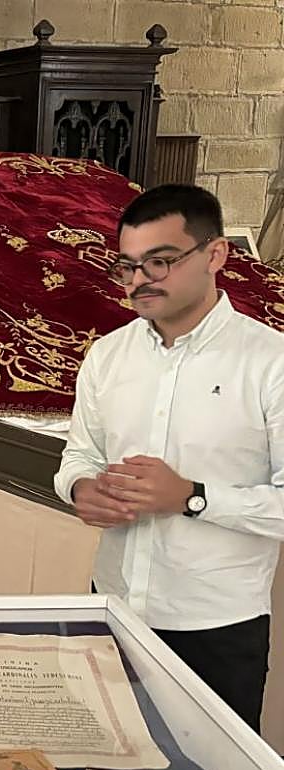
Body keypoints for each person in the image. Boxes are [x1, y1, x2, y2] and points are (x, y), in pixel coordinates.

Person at [54, 184, 284, 732]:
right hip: (110, 611)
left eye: (159, 262)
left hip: (216, 628)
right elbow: (78, 455)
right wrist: (81, 490)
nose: (139, 281)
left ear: (215, 254)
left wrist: (192, 497)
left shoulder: (269, 363)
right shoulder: (108, 355)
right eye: (127, 266)